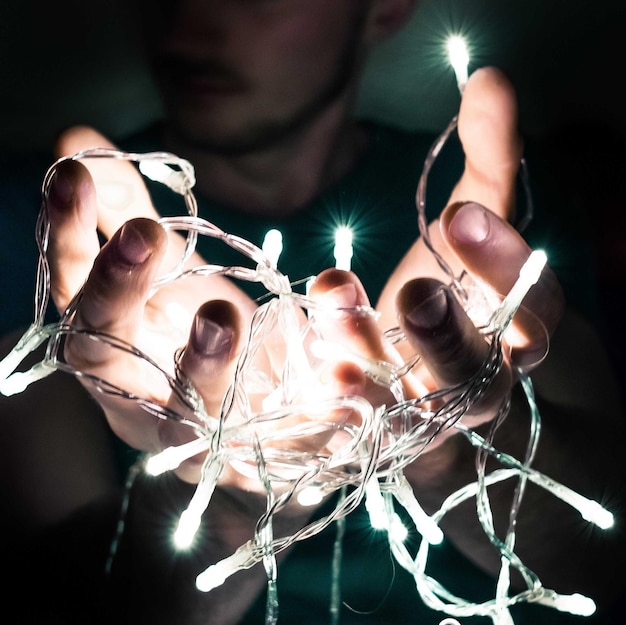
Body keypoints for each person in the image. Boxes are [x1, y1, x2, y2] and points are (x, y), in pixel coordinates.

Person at [0, 1, 624, 624]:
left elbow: (608, 561)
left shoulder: (500, 215)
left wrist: (451, 446)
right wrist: (237, 496)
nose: (188, 17)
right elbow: (54, 599)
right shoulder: (63, 227)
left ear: (385, 9)